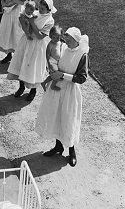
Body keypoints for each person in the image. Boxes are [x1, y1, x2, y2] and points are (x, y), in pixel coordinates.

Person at [36, 27, 89, 167]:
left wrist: (63, 75)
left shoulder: (82, 55)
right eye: (66, 37)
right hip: (58, 88)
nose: (66, 39)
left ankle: (71, 151)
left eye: (69, 38)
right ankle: (58, 146)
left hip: (70, 91)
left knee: (68, 119)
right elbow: (54, 58)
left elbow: (82, 78)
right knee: (56, 116)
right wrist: (52, 67)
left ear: (76, 40)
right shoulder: (64, 47)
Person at [7, 0, 56, 103]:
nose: (42, 7)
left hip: (37, 46)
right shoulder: (35, 12)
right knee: (21, 62)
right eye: (41, 5)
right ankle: (21, 87)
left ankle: (33, 90)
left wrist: (31, 22)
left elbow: (40, 36)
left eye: (45, 6)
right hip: (26, 41)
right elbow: (23, 22)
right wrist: (25, 23)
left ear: (49, 9)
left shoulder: (49, 20)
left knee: (33, 66)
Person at [0, 0, 31, 65]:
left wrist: (10, 0)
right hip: (8, 14)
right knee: (8, 33)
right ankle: (9, 55)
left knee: (17, 34)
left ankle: (18, 57)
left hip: (19, 13)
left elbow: (22, 2)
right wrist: (6, 3)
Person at [41, 25, 64, 92]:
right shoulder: (50, 44)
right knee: (56, 73)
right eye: (54, 37)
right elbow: (47, 55)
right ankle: (53, 85)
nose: (56, 39)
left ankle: (44, 82)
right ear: (50, 36)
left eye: (58, 37)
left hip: (57, 62)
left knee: (53, 75)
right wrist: (48, 64)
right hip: (52, 61)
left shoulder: (59, 42)